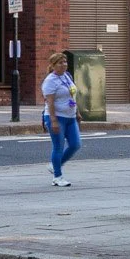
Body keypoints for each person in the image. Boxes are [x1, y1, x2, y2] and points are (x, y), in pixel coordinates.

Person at [40, 51, 82, 187]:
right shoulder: (50, 81)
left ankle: (55, 165)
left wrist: (77, 111)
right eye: (60, 63)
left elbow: (72, 95)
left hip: (70, 116)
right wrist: (53, 121)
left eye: (65, 62)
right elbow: (50, 102)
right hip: (57, 117)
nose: (64, 65)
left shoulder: (67, 76)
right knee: (58, 146)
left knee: (76, 144)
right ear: (53, 65)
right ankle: (57, 177)